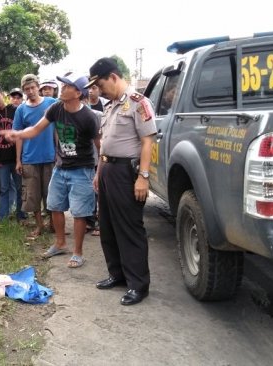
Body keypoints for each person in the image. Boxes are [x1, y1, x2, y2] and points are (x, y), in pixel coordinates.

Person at [3, 73, 99, 269]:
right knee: (54, 206)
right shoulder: (56, 108)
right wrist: (17, 134)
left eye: (66, 87)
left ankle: (78, 252)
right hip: (60, 167)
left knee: (80, 213)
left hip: (82, 170)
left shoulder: (88, 116)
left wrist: (99, 172)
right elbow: (36, 129)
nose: (61, 89)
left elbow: (100, 145)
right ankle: (60, 243)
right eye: (62, 86)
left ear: (78, 93)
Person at [87, 57, 157, 306]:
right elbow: (105, 143)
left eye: (100, 84)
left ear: (113, 77)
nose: (98, 90)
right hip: (107, 170)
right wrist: (98, 173)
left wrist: (143, 177)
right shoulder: (110, 106)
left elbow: (148, 140)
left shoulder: (139, 103)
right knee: (107, 226)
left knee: (129, 228)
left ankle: (138, 284)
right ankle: (116, 274)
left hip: (127, 172)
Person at [12, 74, 56, 239]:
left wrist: (59, 152)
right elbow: (18, 136)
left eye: (32, 87)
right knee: (33, 195)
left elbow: (58, 128)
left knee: (52, 194)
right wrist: (18, 160)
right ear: (23, 90)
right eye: (26, 89)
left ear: (38, 86)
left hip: (50, 157)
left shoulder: (51, 103)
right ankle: (39, 226)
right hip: (30, 159)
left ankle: (53, 224)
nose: (30, 91)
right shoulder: (21, 110)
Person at [0, 84, 23, 221]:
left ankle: (21, 215)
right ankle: (3, 217)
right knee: (3, 189)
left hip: (16, 157)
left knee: (20, 188)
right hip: (1, 159)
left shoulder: (16, 111)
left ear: (3, 95)